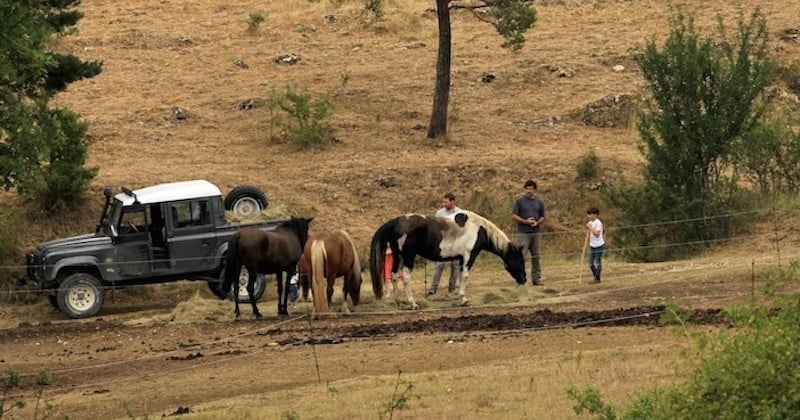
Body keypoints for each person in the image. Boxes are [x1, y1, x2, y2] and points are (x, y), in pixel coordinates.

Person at [512, 180, 546, 286]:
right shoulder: (519, 201)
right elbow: (514, 215)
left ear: (534, 190)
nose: (529, 191)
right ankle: (520, 279)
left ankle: (536, 279)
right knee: (521, 256)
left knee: (536, 256)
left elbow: (543, 216)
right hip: (523, 233)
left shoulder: (539, 202)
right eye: (527, 188)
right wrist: (525, 221)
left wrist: (537, 222)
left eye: (531, 188)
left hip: (535, 233)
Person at [427, 192, 462, 295]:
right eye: (443, 202)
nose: (444, 204)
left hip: (455, 242)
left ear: (452, 201)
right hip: (443, 242)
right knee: (439, 265)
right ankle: (433, 289)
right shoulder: (439, 213)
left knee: (455, 265)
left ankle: (452, 288)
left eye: (446, 202)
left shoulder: (459, 212)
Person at [585, 206, 605, 284]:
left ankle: (597, 278)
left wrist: (590, 228)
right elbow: (588, 229)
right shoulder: (591, 222)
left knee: (597, 262)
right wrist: (588, 227)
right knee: (590, 263)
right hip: (592, 245)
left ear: (595, 214)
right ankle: (596, 277)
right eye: (588, 214)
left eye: (590, 214)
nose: (588, 216)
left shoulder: (598, 223)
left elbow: (597, 234)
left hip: (599, 245)